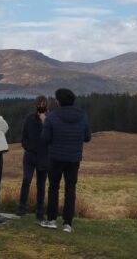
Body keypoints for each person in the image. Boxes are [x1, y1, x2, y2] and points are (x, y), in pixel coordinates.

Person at [40, 88, 92, 233]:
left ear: (58, 101)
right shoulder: (82, 116)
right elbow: (87, 137)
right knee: (70, 189)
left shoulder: (51, 117)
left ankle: (51, 220)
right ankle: (68, 224)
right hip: (74, 158)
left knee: (53, 188)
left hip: (55, 157)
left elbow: (45, 139)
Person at [17, 95, 58, 219]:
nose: (41, 105)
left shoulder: (52, 118)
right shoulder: (30, 118)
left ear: (47, 105)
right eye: (39, 103)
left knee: (41, 185)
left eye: (43, 103)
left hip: (44, 156)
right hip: (30, 156)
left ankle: (40, 212)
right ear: (35, 105)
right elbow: (24, 137)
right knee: (26, 180)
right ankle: (21, 208)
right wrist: (28, 147)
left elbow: (53, 137)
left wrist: (44, 122)